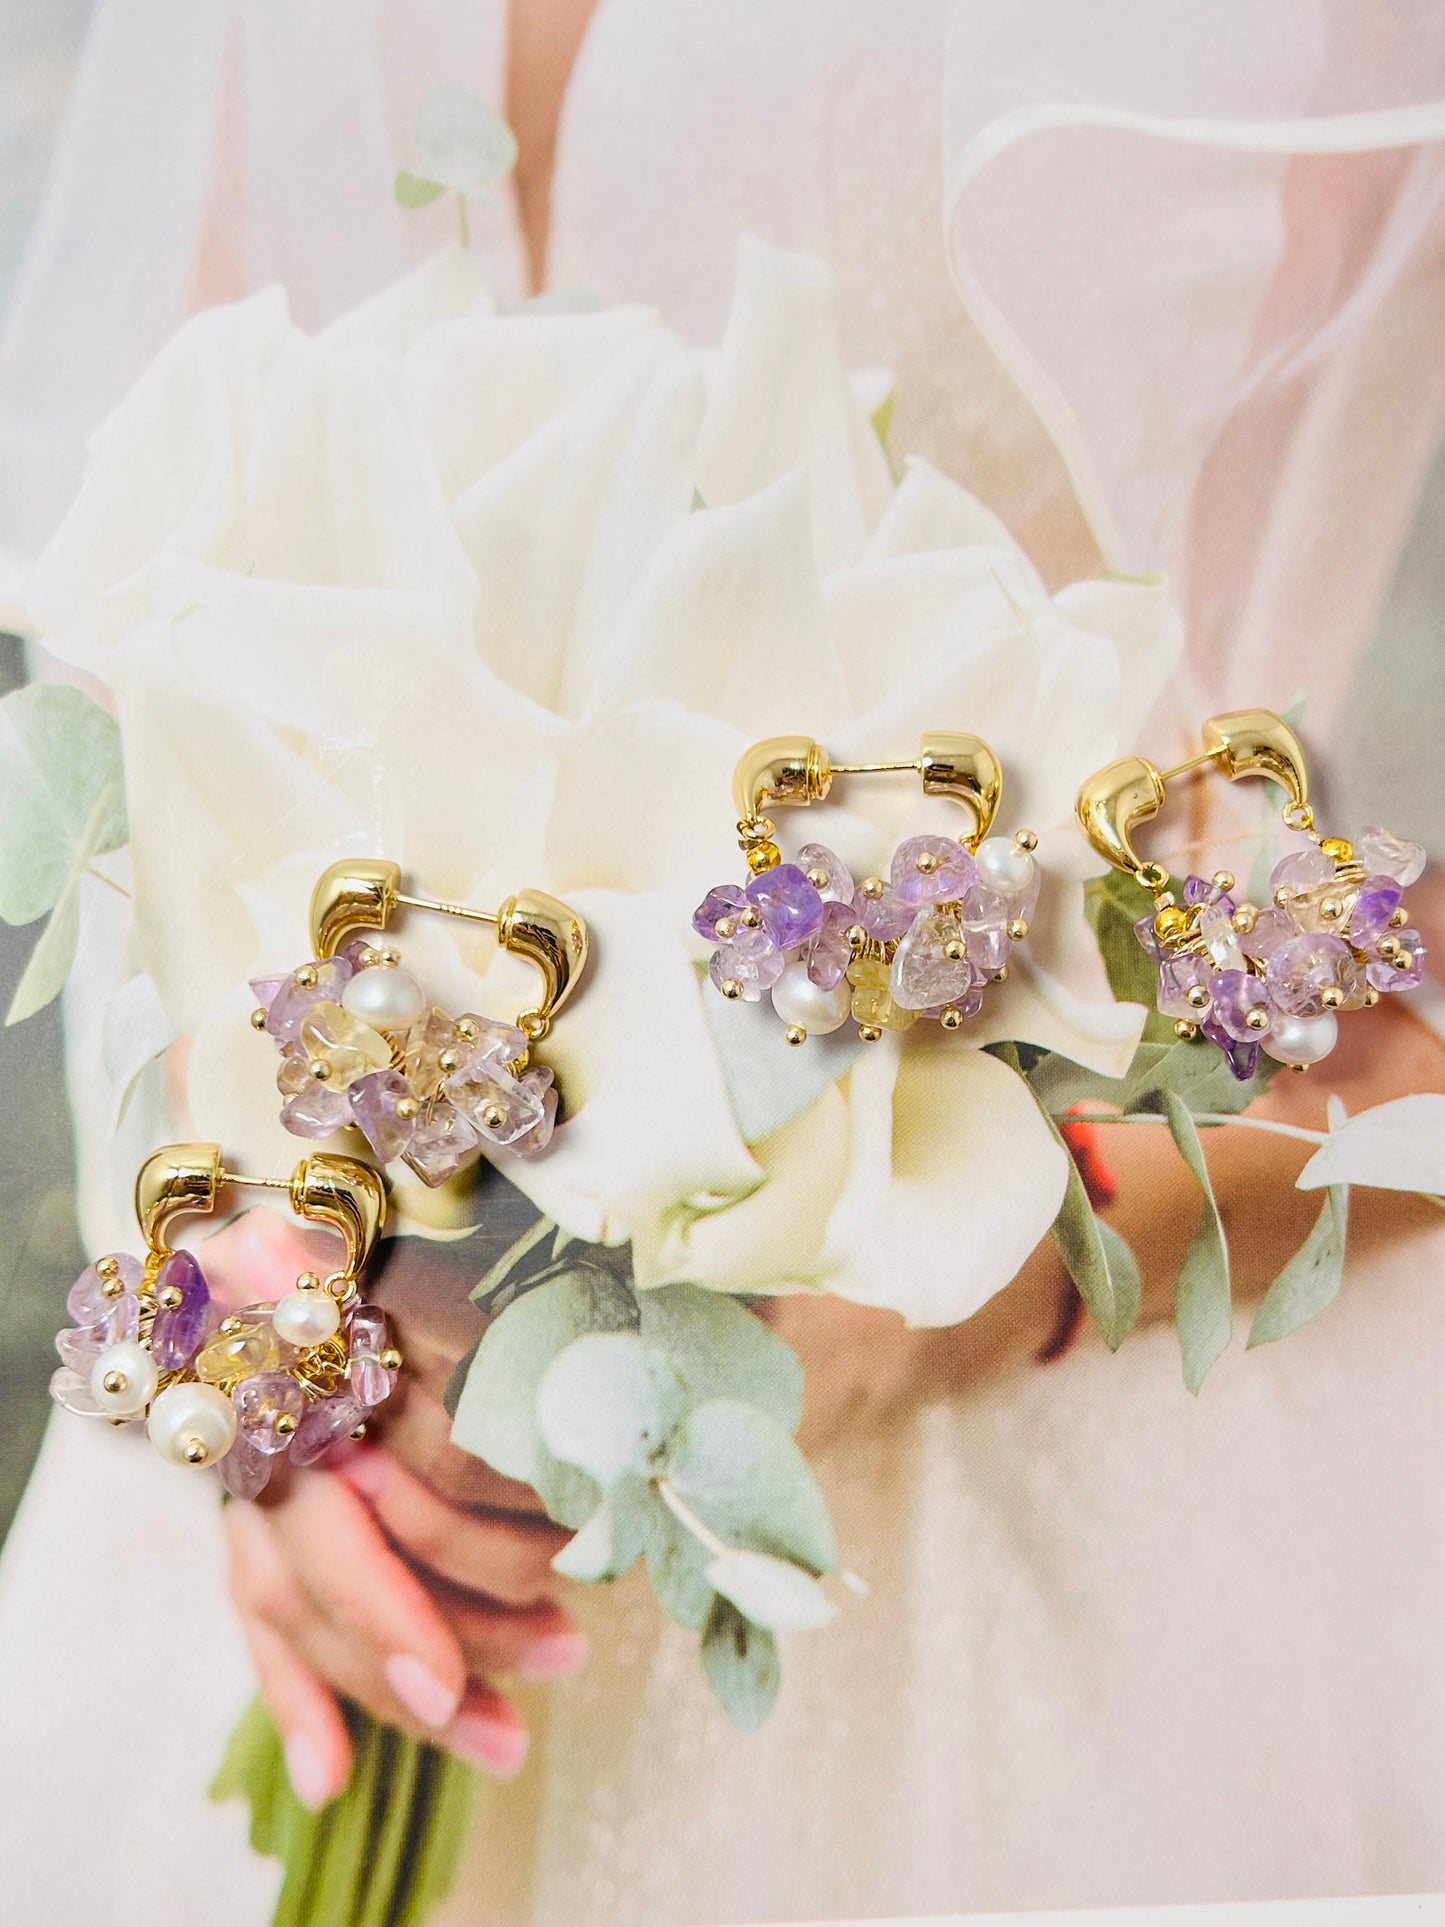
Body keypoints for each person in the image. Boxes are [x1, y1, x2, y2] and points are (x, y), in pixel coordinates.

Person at [4, 4, 1445, 1921]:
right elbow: (168, 671)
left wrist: (957, 1290)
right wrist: (254, 1325)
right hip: (351, 1452)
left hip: (1078, 1495)